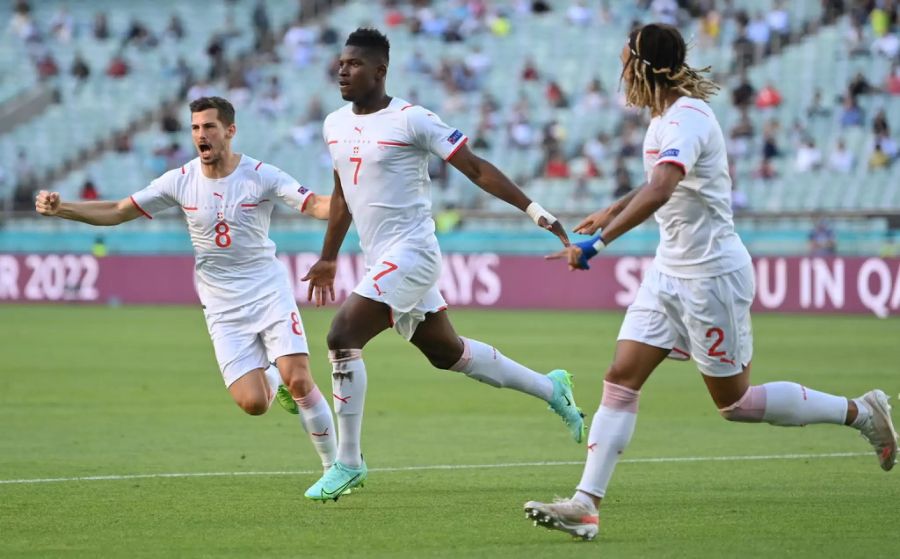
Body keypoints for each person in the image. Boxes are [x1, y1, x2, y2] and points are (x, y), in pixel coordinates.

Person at [524, 23, 898, 542]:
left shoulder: (690, 118)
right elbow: (661, 182)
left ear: (641, 65)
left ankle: (860, 412)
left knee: (735, 404)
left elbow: (662, 187)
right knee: (621, 376)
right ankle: (585, 506)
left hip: (711, 278)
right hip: (668, 272)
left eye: (623, 60)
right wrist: (610, 208)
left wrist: (600, 241)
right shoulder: (665, 121)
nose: (619, 71)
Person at [301, 28, 586, 501]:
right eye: (340, 63)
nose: (342, 71)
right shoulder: (334, 124)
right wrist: (329, 257)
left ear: (380, 71)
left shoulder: (412, 120)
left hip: (412, 253)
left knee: (341, 336)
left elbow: (474, 167)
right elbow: (342, 197)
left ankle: (347, 463)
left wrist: (536, 211)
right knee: (447, 353)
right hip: (381, 257)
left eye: (353, 64)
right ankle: (552, 388)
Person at [34, 97, 340, 475]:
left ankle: (337, 466)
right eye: (195, 128)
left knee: (300, 377)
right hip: (222, 305)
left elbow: (316, 206)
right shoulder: (180, 180)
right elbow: (117, 211)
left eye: (209, 126)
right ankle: (272, 376)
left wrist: (351, 198)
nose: (201, 134)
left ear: (230, 130)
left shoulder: (261, 175)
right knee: (253, 403)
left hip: (267, 291)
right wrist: (62, 208)